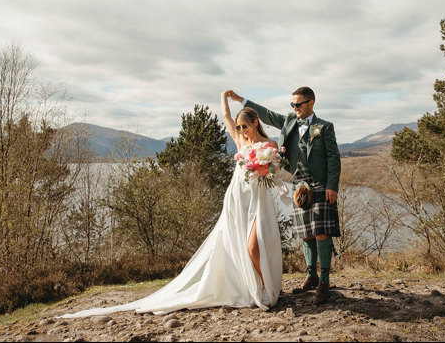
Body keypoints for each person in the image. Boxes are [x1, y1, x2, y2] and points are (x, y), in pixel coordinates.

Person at [58, 91, 283, 319]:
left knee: (255, 246)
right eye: (239, 127)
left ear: (255, 122)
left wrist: (265, 169)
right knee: (238, 245)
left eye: (245, 126)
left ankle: (265, 287)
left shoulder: (270, 144)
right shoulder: (240, 141)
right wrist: (226, 96)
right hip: (237, 198)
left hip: (259, 199)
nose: (242, 131)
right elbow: (225, 115)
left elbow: (276, 174)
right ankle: (251, 287)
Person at [229, 87, 341, 305]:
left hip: (319, 184)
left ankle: (324, 282)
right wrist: (240, 99)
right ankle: (311, 276)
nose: (295, 108)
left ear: (311, 102)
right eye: (293, 104)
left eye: (299, 104)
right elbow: (267, 114)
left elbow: (333, 158)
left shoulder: (325, 127)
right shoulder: (289, 121)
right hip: (298, 185)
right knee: (306, 233)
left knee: (321, 233)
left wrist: (332, 186)